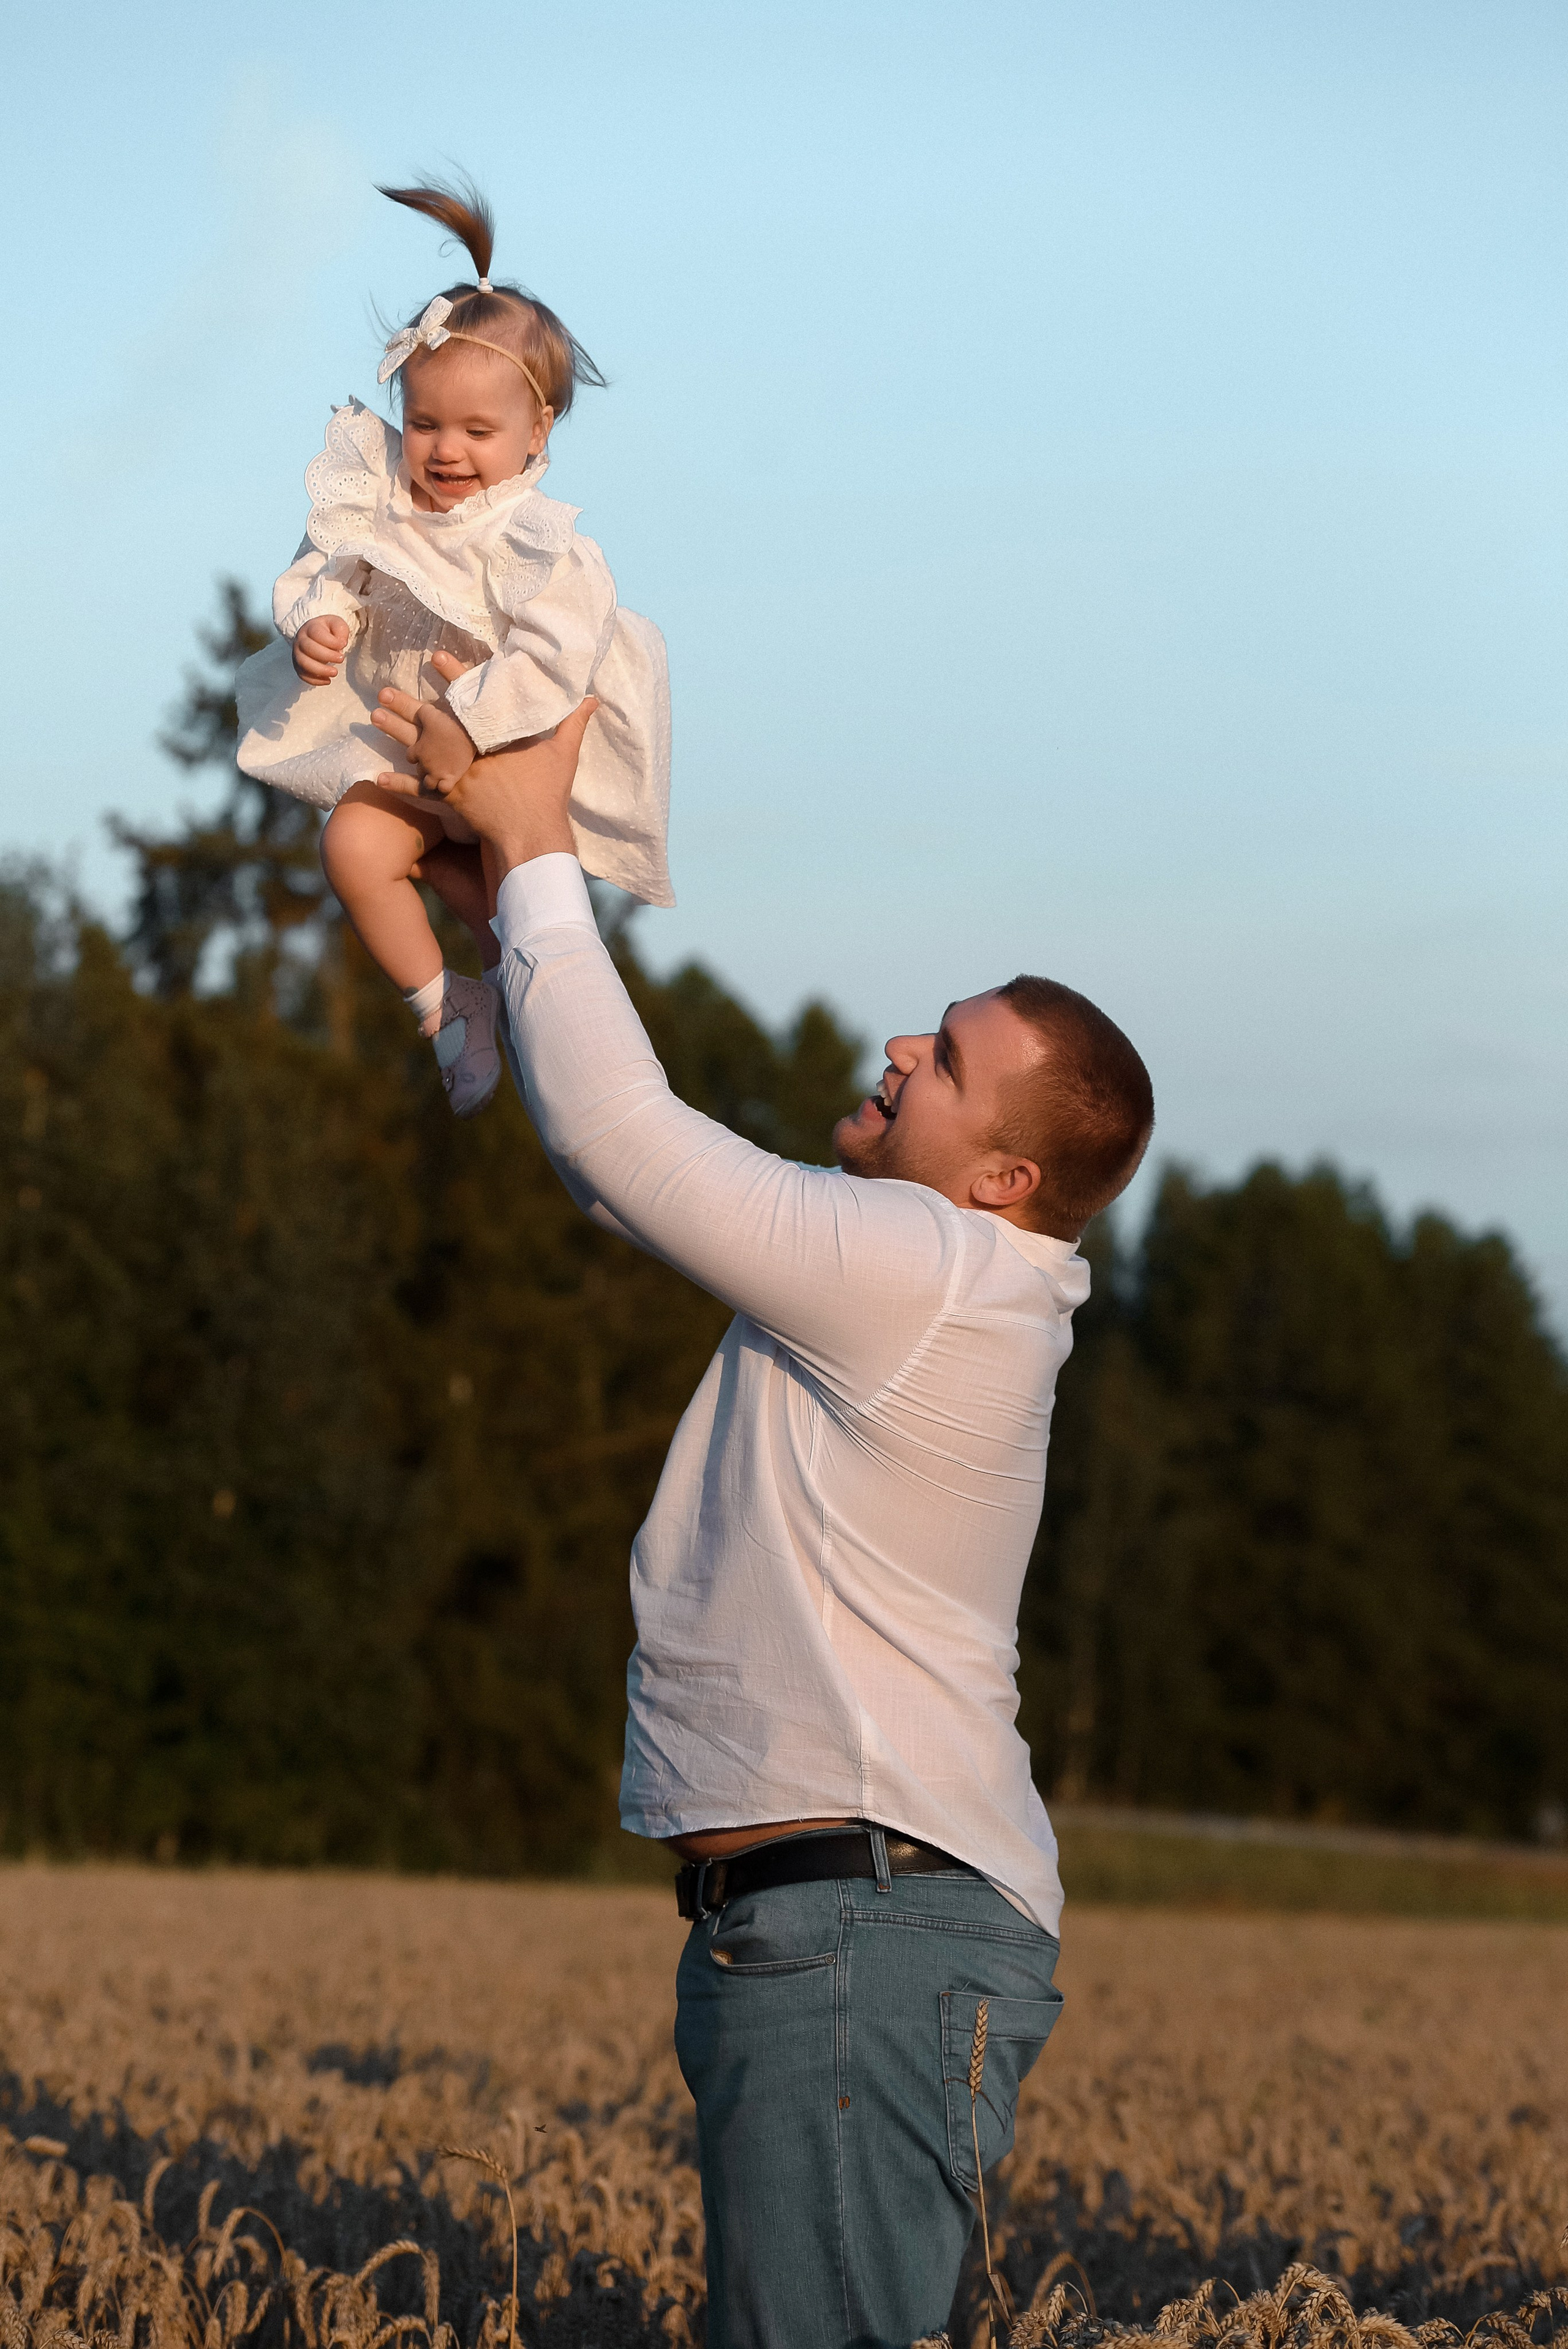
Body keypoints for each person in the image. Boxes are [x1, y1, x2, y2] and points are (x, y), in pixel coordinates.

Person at [370, 697, 1155, 2349]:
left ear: (1006, 1178)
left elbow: (626, 1140)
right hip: (842, 1927)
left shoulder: (933, 1278)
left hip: (868, 1924)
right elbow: (613, 1173)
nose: (896, 1048)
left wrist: (537, 853)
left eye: (942, 1060)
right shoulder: (933, 1278)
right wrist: (512, 928)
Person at [233, 177, 673, 1118]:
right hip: (407, 760)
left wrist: (467, 725)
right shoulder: (382, 500)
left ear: (537, 428)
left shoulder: (541, 541)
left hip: (510, 764)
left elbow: (555, 662)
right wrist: (321, 624)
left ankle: (529, 1010)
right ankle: (447, 1010)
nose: (445, 451)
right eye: (426, 422)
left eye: (480, 430)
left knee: (515, 908)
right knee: (351, 845)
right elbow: (332, 567)